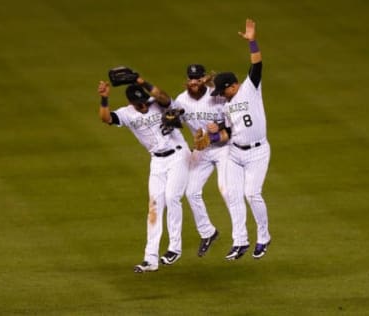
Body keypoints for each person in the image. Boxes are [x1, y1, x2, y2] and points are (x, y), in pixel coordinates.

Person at [97, 76, 190, 273]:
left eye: (143, 100)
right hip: (157, 161)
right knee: (154, 207)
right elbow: (106, 118)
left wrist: (142, 81)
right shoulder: (127, 114)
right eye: (138, 103)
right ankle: (151, 259)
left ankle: (174, 248)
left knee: (172, 196)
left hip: (178, 154)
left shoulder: (157, 102)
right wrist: (104, 99)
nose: (143, 105)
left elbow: (162, 95)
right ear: (131, 102)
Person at [205, 18, 271, 260]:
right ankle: (240, 241)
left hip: (257, 152)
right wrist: (213, 135)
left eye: (222, 91)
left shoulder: (249, 89)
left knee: (252, 194)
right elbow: (227, 134)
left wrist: (253, 42)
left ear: (232, 86)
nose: (220, 95)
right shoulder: (227, 107)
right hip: (234, 153)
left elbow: (257, 66)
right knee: (232, 194)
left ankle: (263, 237)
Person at [174, 64, 228, 257]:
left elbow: (234, 119)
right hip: (201, 151)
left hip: (223, 149)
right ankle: (208, 233)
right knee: (191, 192)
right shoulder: (181, 100)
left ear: (204, 79)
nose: (193, 82)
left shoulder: (217, 96)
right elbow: (174, 121)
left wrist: (220, 125)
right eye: (190, 78)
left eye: (197, 78)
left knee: (227, 190)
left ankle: (241, 237)